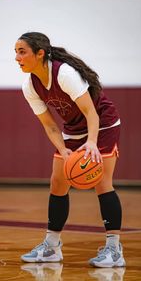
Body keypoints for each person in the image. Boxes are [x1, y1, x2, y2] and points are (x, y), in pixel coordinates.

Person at [14, 31, 126, 268]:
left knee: (102, 182)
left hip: (102, 123)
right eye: (15, 52)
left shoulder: (64, 73)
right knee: (58, 182)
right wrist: (63, 150)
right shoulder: (30, 86)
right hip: (73, 128)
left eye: (22, 51)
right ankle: (52, 247)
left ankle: (114, 250)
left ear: (40, 53)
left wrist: (92, 143)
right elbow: (50, 126)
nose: (17, 57)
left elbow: (91, 113)